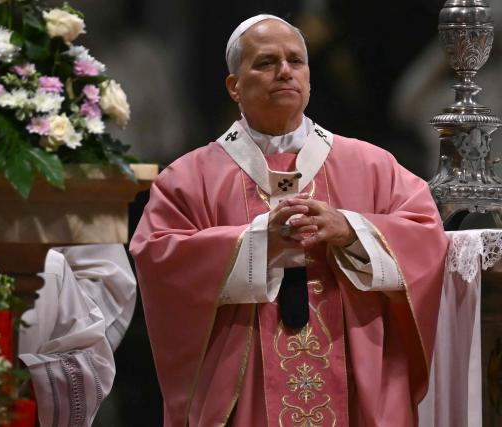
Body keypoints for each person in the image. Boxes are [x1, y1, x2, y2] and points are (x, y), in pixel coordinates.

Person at [130, 14, 448, 427]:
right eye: (265, 62)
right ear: (234, 87)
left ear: (310, 78)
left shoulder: (372, 165)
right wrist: (259, 242)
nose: (284, 71)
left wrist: (351, 230)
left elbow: (426, 236)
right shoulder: (188, 179)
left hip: (354, 381)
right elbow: (158, 257)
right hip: (246, 392)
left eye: (296, 61)